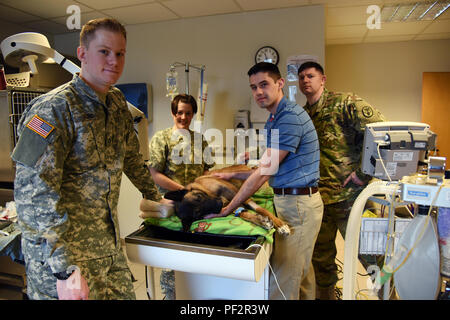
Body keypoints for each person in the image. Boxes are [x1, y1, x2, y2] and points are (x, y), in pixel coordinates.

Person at [11, 18, 166, 300]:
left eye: (120, 53)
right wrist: (64, 270)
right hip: (63, 260)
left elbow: (131, 157)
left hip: (106, 249)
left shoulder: (116, 104)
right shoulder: (52, 110)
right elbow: (34, 194)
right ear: (82, 54)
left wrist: (156, 196)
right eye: (104, 51)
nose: (114, 61)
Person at [208, 62, 323, 300]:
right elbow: (264, 166)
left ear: (280, 83)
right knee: (302, 275)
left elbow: (264, 172)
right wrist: (230, 175)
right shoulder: (274, 119)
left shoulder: (289, 117)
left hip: (298, 206)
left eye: (264, 84)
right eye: (253, 87)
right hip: (292, 200)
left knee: (283, 282)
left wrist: (229, 208)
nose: (258, 92)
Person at [297, 61, 386, 299]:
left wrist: (363, 173)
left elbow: (380, 133)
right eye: (302, 77)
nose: (306, 80)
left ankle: (390, 295)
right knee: (321, 260)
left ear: (323, 79)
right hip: (319, 200)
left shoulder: (345, 103)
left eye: (311, 76)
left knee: (371, 255)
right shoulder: (304, 116)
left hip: (351, 198)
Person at [148, 93, 215, 299]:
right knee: (171, 262)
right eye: (179, 113)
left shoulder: (200, 140)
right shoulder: (161, 138)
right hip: (171, 204)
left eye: (188, 113)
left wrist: (199, 189)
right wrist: (181, 190)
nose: (183, 117)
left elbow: (207, 170)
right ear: (172, 113)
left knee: (196, 255)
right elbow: (154, 173)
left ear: (193, 114)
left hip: (195, 204)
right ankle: (171, 296)